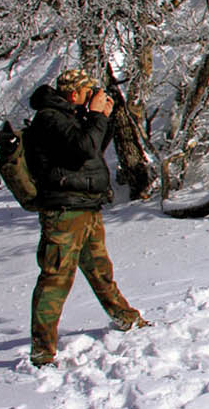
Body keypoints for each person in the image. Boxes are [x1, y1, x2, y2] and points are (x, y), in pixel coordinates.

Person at [24, 68, 148, 367]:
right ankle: (42, 351)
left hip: (86, 207)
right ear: (72, 93)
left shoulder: (70, 116)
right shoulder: (49, 118)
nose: (90, 96)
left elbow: (93, 149)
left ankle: (125, 317)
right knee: (56, 278)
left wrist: (101, 116)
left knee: (99, 269)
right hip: (64, 212)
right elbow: (83, 148)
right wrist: (95, 116)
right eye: (87, 91)